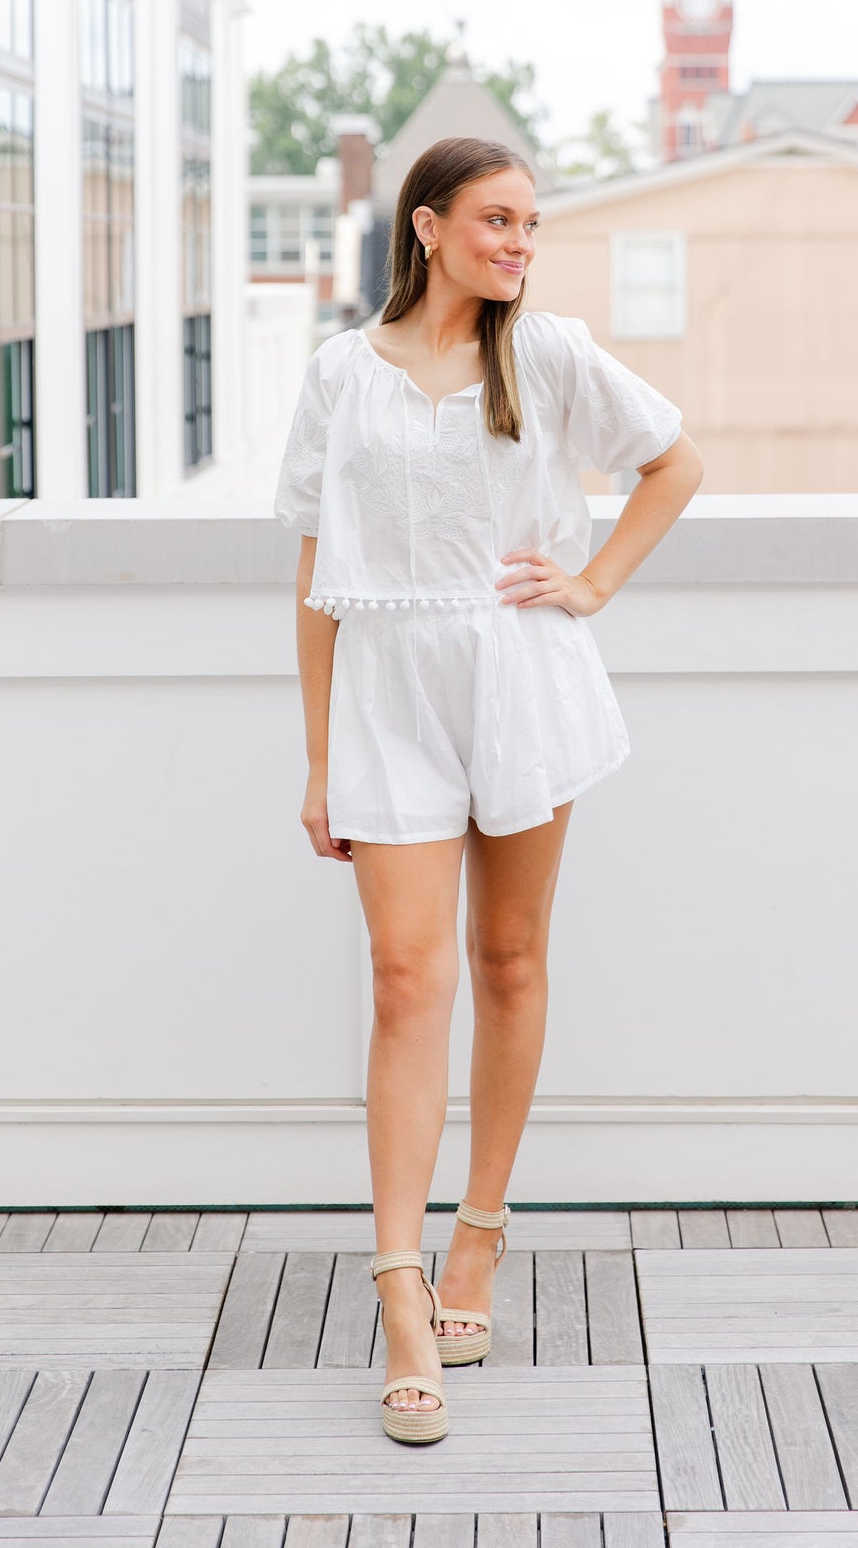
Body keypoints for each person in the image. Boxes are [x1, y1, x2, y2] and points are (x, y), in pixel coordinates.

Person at [272, 133, 702, 1445]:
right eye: (496, 221)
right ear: (426, 227)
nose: (518, 243)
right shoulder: (339, 378)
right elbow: (311, 573)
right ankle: (398, 1287)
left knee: (509, 959)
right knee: (409, 980)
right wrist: (316, 759)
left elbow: (673, 462)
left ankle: (481, 1232)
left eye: (530, 224)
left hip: (522, 676)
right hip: (386, 690)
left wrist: (590, 583)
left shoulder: (550, 352)